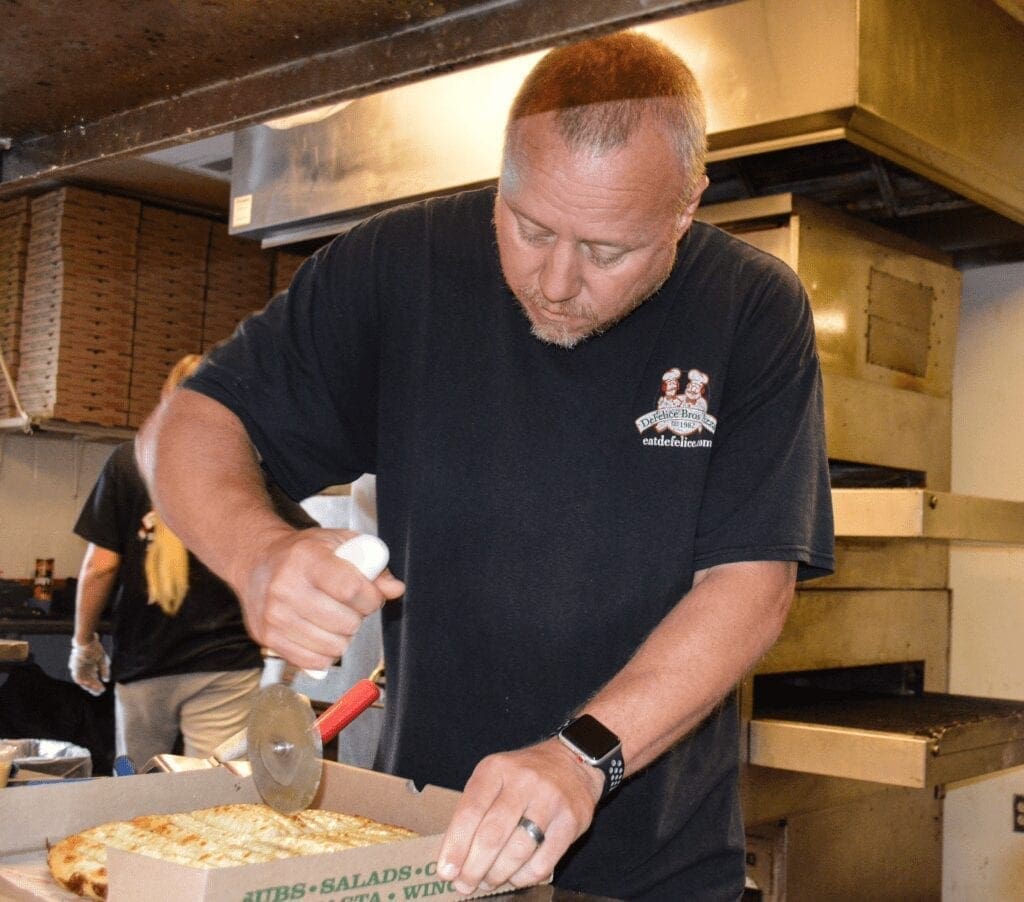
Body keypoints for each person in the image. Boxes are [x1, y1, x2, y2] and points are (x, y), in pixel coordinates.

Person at [137, 31, 834, 901]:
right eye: (529, 227)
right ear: (501, 176)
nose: (556, 280)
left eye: (607, 251)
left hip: (655, 871)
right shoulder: (398, 266)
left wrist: (581, 759)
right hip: (421, 849)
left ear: (686, 207)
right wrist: (258, 554)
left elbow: (750, 584)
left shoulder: (752, 310)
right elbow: (187, 425)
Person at [69, 354, 316, 769]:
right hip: (225, 663)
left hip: (145, 663)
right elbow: (301, 543)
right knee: (212, 789)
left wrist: (83, 643)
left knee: (136, 793)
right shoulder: (249, 469)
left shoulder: (127, 463)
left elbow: (101, 566)